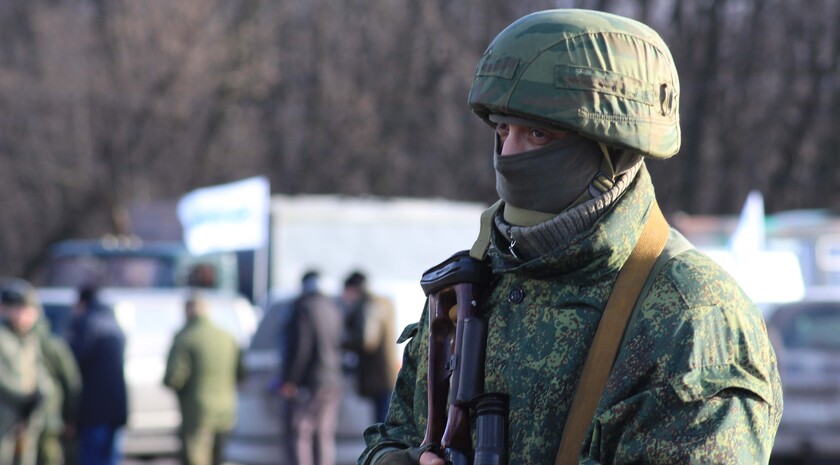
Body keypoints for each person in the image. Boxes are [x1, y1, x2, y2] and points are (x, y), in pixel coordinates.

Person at [359, 9, 783, 465]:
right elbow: (395, 431)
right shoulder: (469, 288)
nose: (509, 154)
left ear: (614, 151)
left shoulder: (694, 318)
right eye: (503, 130)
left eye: (538, 133)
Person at [164, 293, 244, 465]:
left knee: (196, 457)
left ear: (188, 311)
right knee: (219, 457)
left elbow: (174, 378)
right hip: (226, 409)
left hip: (197, 410)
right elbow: (241, 373)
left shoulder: (186, 337)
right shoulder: (227, 336)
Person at [279, 270, 344, 465]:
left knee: (300, 435)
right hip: (332, 380)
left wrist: (291, 380)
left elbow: (301, 347)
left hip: (308, 383)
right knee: (324, 436)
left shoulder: (302, 307)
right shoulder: (333, 308)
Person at [66, 286, 127, 465]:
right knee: (111, 458)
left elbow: (73, 365)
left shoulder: (85, 324)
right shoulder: (115, 324)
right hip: (116, 406)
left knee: (92, 457)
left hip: (93, 408)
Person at [0, 283, 56, 465]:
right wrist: (23, 397)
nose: (25, 316)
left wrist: (42, 392)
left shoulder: (31, 339)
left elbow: (39, 370)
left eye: (29, 311)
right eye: (20, 310)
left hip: (29, 417)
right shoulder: (3, 337)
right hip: (6, 415)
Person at [341, 271, 397, 423]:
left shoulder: (369, 305)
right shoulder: (382, 302)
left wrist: (341, 342)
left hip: (377, 376)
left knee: (381, 425)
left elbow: (367, 340)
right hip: (384, 374)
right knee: (384, 421)